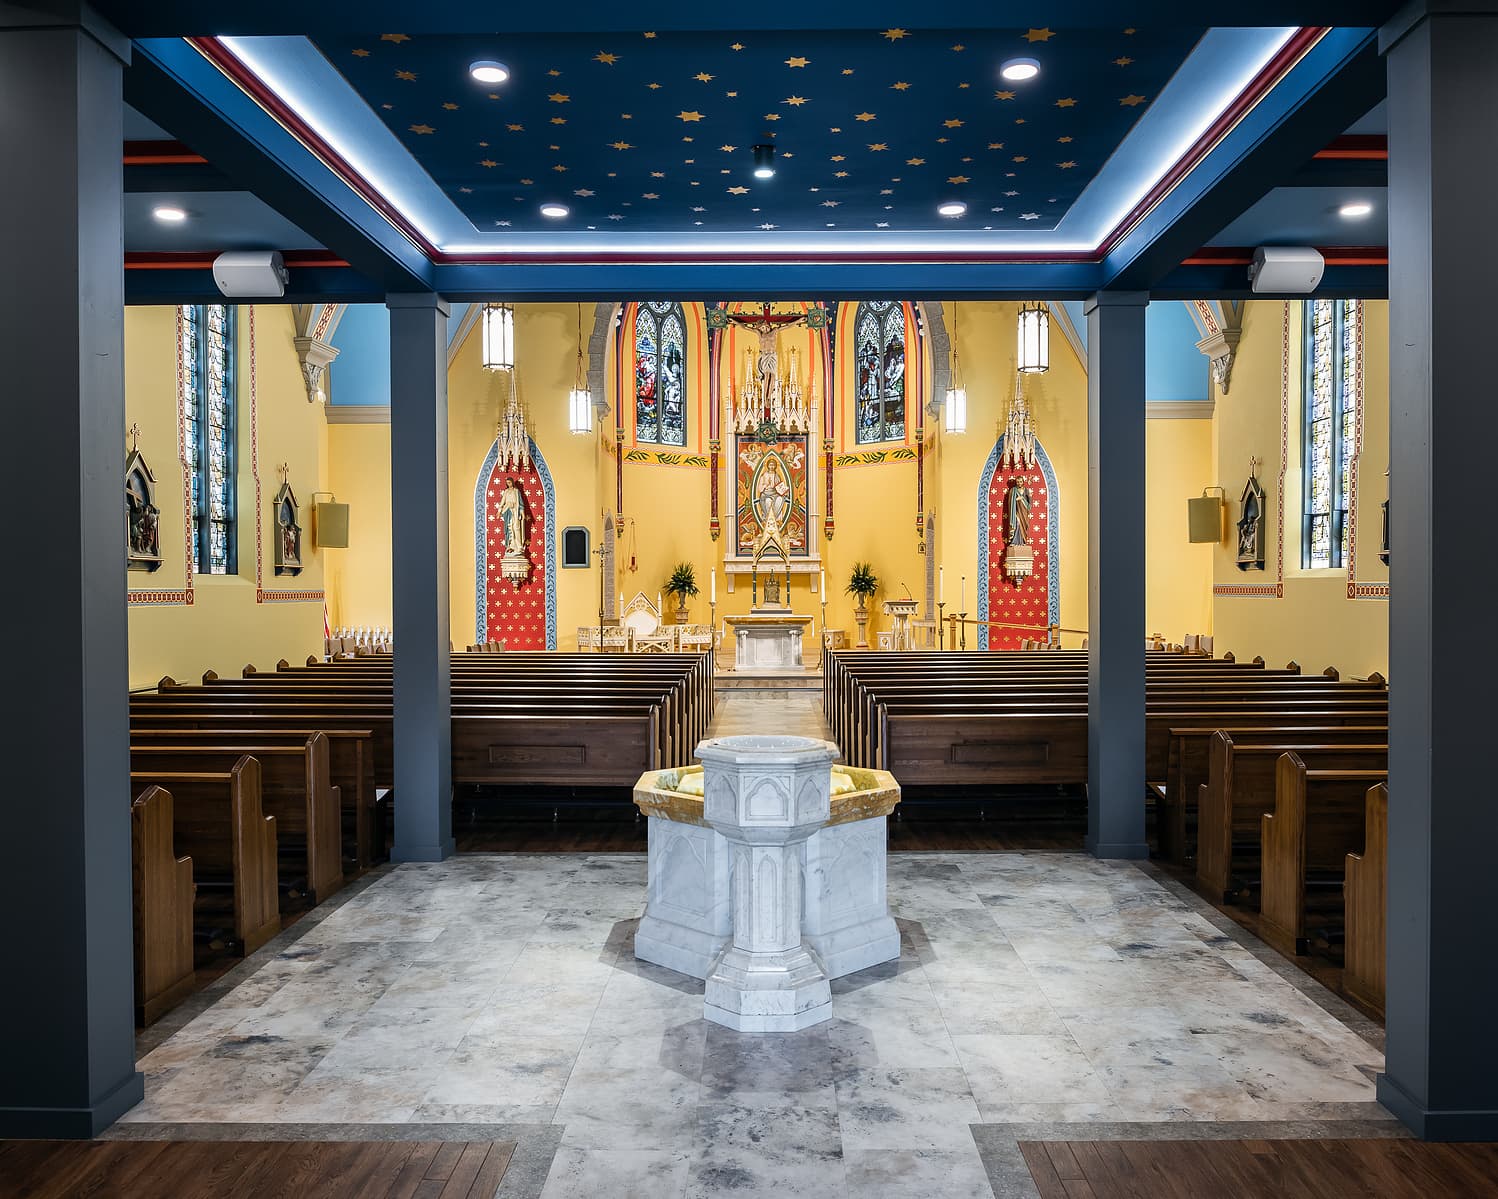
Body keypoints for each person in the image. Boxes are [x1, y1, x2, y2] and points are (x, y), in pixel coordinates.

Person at [498, 478, 528, 556]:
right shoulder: (506, 492)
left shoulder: (516, 491)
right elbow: (502, 502)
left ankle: (519, 546)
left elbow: (520, 503)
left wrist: (522, 513)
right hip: (508, 511)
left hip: (515, 511)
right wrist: (499, 511)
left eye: (510, 482)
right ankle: (510, 546)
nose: (509, 484)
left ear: (512, 483)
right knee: (509, 528)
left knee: (516, 528)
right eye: (507, 483)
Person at [1006, 477, 1031, 547]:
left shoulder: (1026, 490)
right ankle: (1014, 541)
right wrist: (1016, 499)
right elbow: (1010, 502)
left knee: (1023, 526)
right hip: (1016, 511)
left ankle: (1023, 541)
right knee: (1017, 524)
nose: (1019, 483)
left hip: (1024, 511)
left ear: (1023, 482)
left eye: (1020, 481)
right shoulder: (1013, 490)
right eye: (1018, 482)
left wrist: (1025, 501)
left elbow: (1030, 501)